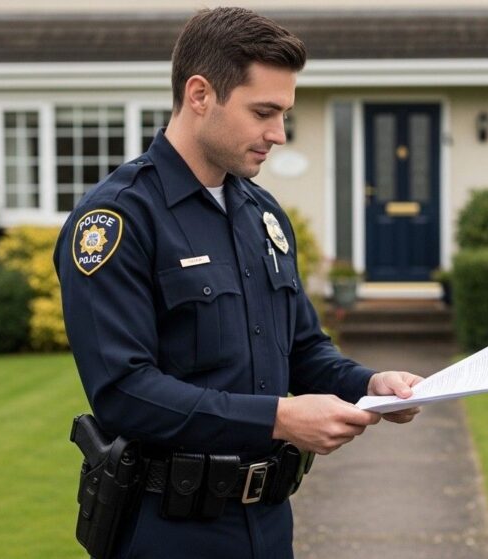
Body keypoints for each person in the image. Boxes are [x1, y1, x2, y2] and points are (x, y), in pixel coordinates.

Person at [54, 7, 421, 558]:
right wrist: (278, 417)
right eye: (263, 112)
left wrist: (370, 386)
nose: (278, 134)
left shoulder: (262, 214)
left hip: (269, 522)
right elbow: (124, 392)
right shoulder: (117, 220)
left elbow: (302, 348)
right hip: (168, 529)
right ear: (200, 94)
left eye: (284, 114)